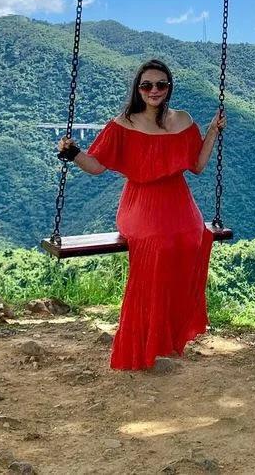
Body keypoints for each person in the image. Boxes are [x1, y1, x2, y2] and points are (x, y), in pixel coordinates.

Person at [58, 58, 226, 370]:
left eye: (161, 84)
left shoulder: (184, 121)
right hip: (140, 204)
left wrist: (212, 132)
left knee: (193, 239)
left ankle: (169, 334)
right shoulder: (123, 124)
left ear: (169, 88)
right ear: (138, 88)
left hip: (179, 201)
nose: (154, 90)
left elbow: (198, 166)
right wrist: (73, 153)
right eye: (147, 85)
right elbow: (96, 167)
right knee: (158, 246)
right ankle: (143, 341)